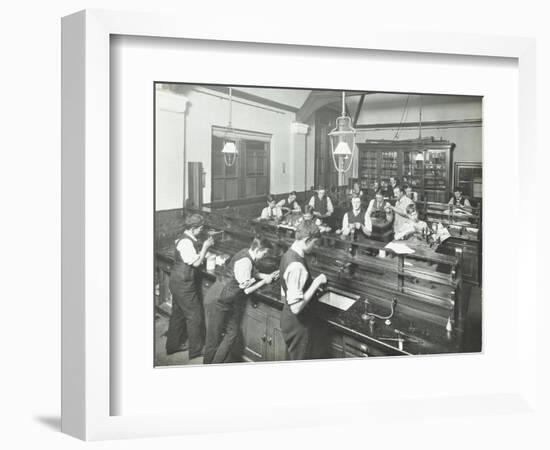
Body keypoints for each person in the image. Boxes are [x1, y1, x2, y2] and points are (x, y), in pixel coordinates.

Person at [203, 237, 278, 364]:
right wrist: (265, 281)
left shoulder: (246, 253)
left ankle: (216, 362)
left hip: (227, 299)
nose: (265, 256)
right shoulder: (246, 261)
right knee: (213, 339)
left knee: (232, 333)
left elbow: (250, 274)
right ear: (258, 249)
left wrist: (267, 276)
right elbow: (247, 290)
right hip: (218, 299)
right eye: (264, 253)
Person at [165, 214, 214, 358]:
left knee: (178, 314)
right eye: (200, 228)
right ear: (193, 228)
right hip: (183, 284)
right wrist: (205, 247)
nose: (201, 231)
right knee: (195, 316)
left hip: (177, 281)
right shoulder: (186, 243)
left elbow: (192, 258)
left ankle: (172, 346)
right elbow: (196, 263)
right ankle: (196, 350)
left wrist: (201, 252)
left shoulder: (185, 238)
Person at [280, 220, 328, 360]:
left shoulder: (289, 254)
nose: (315, 247)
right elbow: (295, 307)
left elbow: (286, 291)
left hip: (288, 319)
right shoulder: (296, 266)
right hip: (298, 324)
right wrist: (316, 283)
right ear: (307, 240)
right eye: (314, 243)